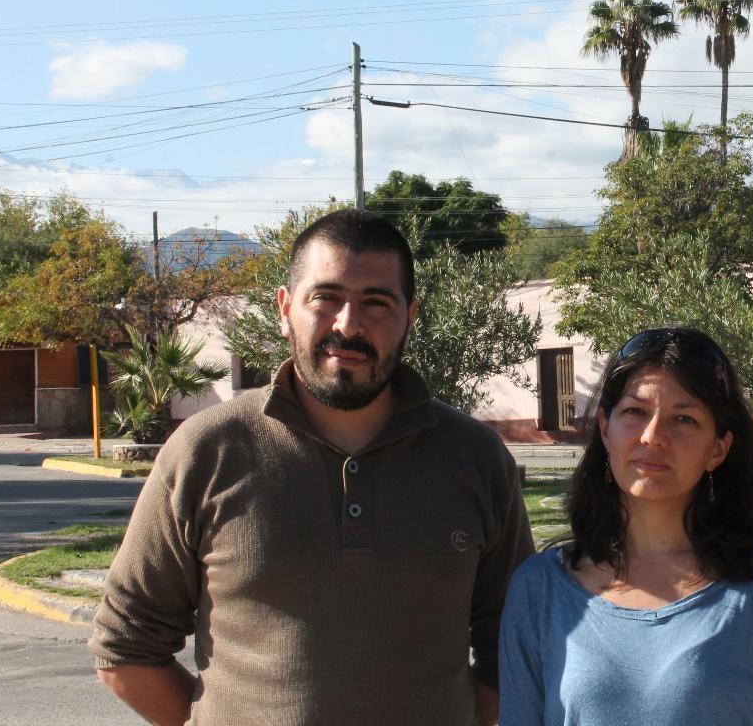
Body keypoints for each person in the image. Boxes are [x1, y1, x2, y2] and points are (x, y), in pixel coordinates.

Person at [89, 210, 533, 726]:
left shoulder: (475, 458)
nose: (348, 324)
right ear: (284, 309)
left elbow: (515, 644)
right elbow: (125, 645)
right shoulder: (206, 451)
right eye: (326, 298)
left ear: (410, 316)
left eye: (376, 302)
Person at [499, 327, 753, 726]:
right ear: (605, 427)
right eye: (635, 412)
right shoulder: (539, 590)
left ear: (718, 448)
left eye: (684, 419)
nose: (653, 437)